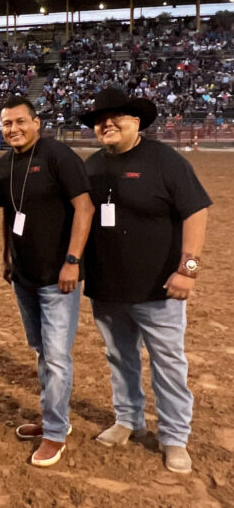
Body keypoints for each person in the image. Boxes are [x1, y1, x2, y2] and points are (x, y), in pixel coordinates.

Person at [79, 88, 212, 474]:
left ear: (136, 122)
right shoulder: (91, 166)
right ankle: (128, 420)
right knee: (119, 358)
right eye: (100, 119)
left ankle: (174, 437)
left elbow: (196, 211)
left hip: (159, 289)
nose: (107, 124)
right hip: (107, 287)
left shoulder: (165, 161)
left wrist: (188, 269)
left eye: (116, 117)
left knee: (168, 362)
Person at [0, 95, 94, 467]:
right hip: (24, 277)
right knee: (41, 351)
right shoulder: (4, 165)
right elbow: (8, 214)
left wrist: (72, 261)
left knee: (57, 356)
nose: (13, 129)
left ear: (36, 123)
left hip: (58, 276)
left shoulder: (58, 156)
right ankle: (53, 417)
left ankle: (55, 433)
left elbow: (85, 207)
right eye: (7, 123)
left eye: (20, 121)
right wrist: (7, 256)